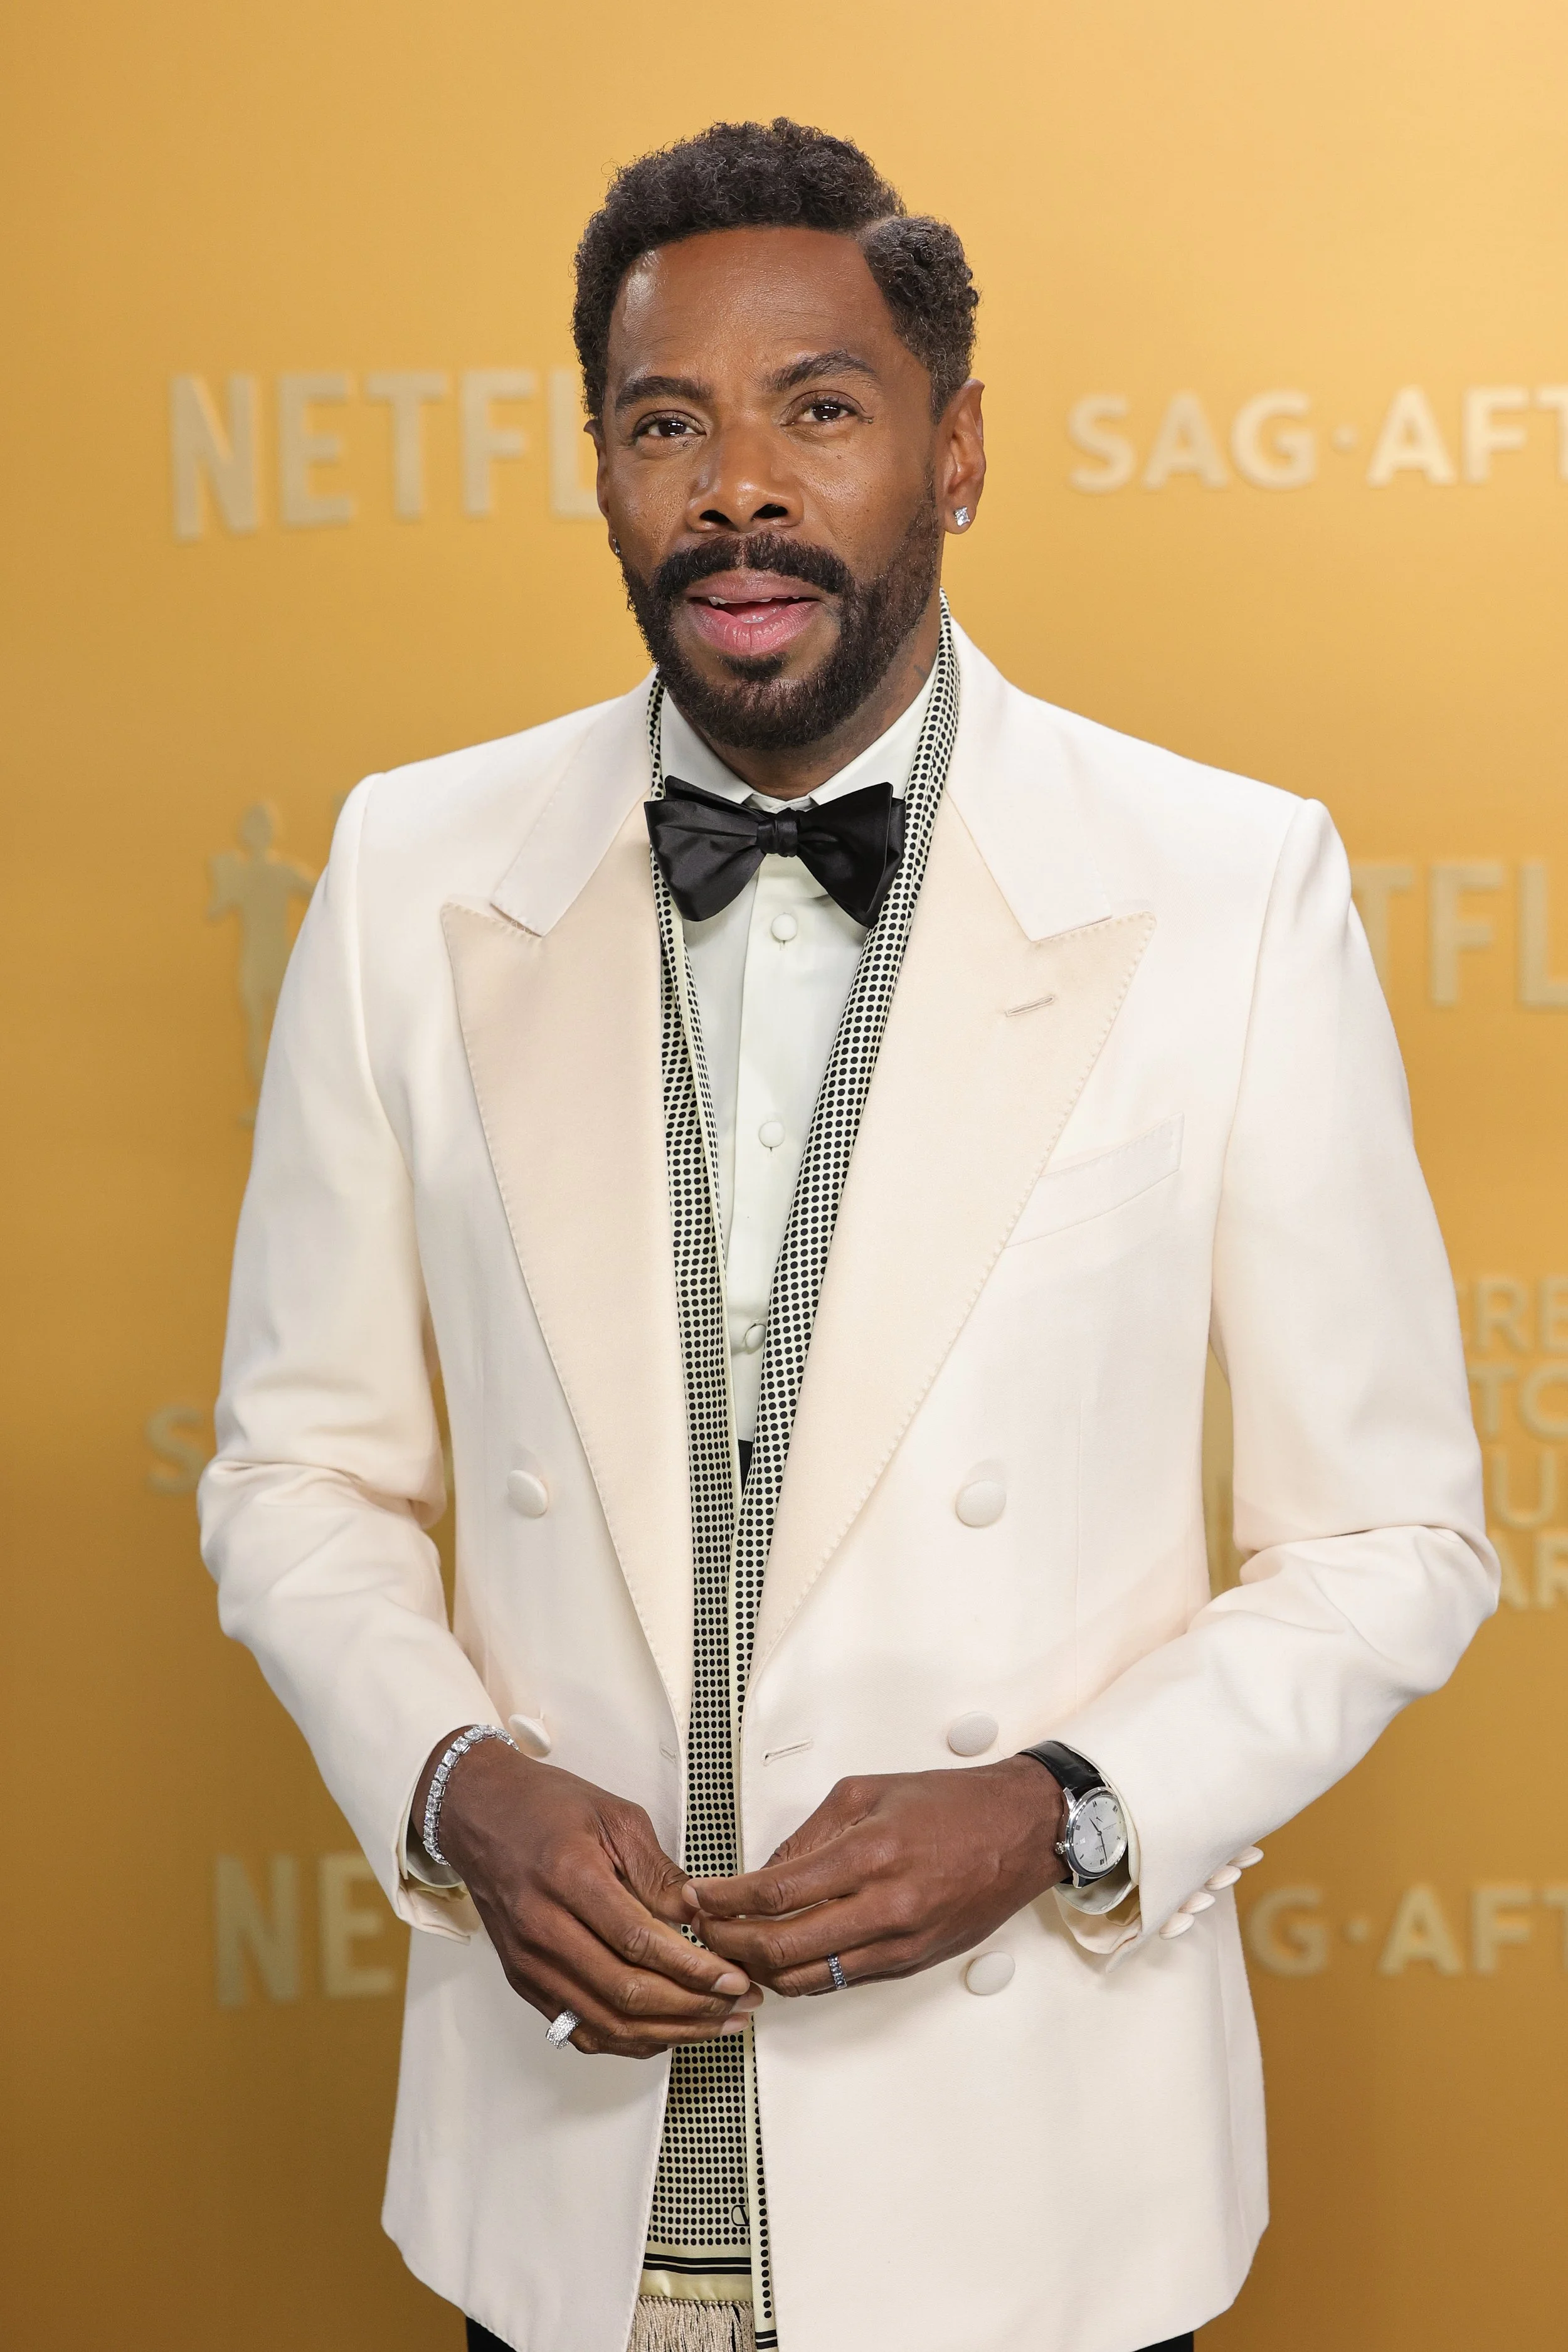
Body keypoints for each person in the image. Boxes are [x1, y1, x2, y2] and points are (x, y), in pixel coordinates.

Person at [199, 117, 1496, 2352]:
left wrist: (1065, 1808)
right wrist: (450, 1779)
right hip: (556, 2192)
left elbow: (1392, 1533)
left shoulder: (1226, 886)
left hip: (1035, 2189)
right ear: (600, 472)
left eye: (818, 410)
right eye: (663, 425)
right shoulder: (411, 872)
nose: (736, 490)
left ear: (953, 450)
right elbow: (296, 1468)